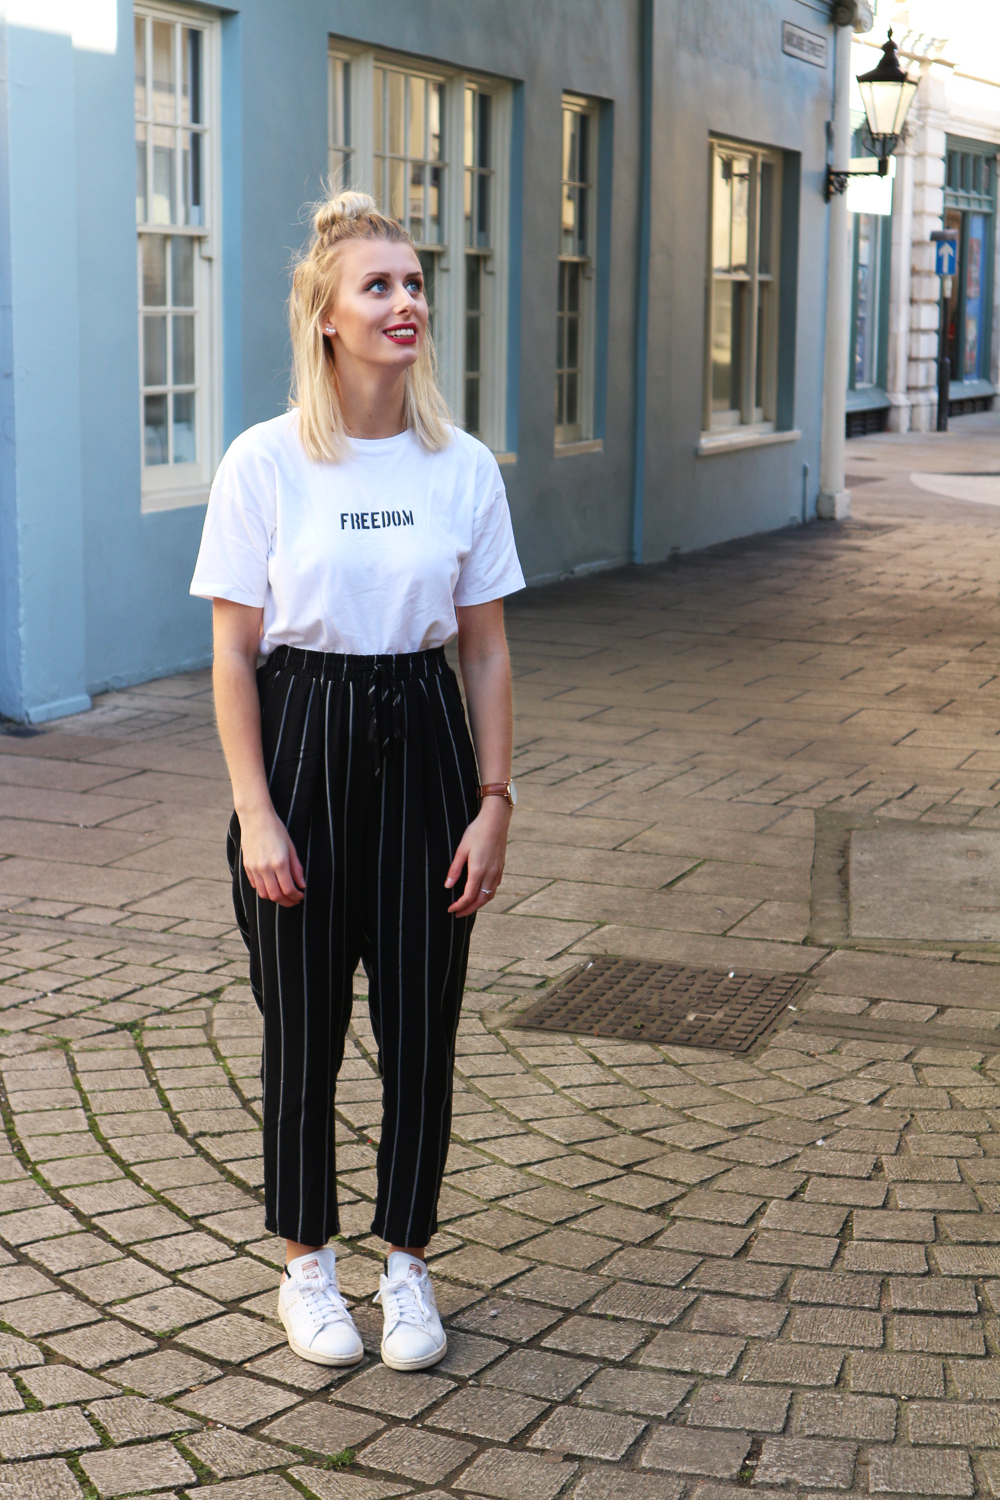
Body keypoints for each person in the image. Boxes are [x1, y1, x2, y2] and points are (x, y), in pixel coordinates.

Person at [190, 190, 524, 1372]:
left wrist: (494, 803)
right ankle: (306, 1266)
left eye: (414, 283)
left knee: (422, 1025)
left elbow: (484, 651)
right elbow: (233, 654)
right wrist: (255, 811)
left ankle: (409, 1266)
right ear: (325, 317)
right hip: (303, 735)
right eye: (378, 285)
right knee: (303, 1028)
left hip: (426, 737)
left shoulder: (461, 466)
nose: (405, 302)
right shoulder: (265, 460)